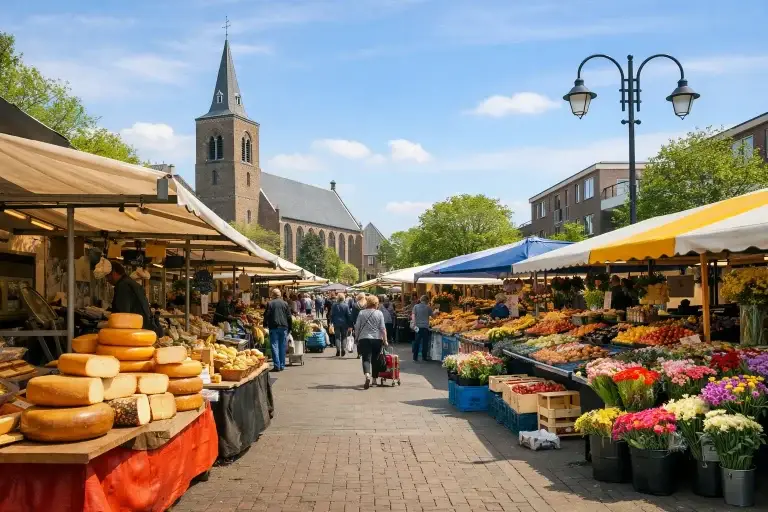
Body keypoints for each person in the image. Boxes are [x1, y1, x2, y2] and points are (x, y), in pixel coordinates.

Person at [106, 261, 161, 336]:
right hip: (143, 329)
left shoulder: (123, 286)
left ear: (114, 272)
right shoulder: (130, 282)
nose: (107, 280)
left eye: (107, 276)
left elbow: (122, 315)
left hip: (136, 332)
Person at [355, 295, 388, 389]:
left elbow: (357, 327)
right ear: (376, 303)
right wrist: (385, 340)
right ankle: (374, 380)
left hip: (364, 338)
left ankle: (367, 376)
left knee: (366, 359)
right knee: (375, 360)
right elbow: (383, 328)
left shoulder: (361, 313)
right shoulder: (379, 313)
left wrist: (356, 338)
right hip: (377, 339)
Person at [263, 288, 292, 372]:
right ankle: (282, 365)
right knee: (282, 346)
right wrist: (290, 327)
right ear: (280, 295)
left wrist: (265, 324)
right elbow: (289, 316)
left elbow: (266, 315)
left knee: (274, 346)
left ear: (272, 295)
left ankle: (277, 365)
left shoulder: (270, 303)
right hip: (284, 327)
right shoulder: (285, 303)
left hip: (274, 327)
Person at [411, 295, 435, 362]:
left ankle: (415, 357)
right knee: (425, 343)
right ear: (427, 300)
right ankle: (424, 357)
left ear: (421, 300)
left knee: (417, 342)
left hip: (418, 327)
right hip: (425, 327)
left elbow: (413, 315)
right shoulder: (428, 307)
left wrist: (414, 323)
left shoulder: (415, 306)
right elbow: (433, 316)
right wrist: (435, 312)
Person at [351, 293, 366, 358]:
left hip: (357, 324)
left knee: (358, 338)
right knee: (365, 338)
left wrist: (352, 324)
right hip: (366, 323)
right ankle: (364, 351)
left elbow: (353, 316)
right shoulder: (367, 304)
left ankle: (359, 353)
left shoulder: (355, 305)